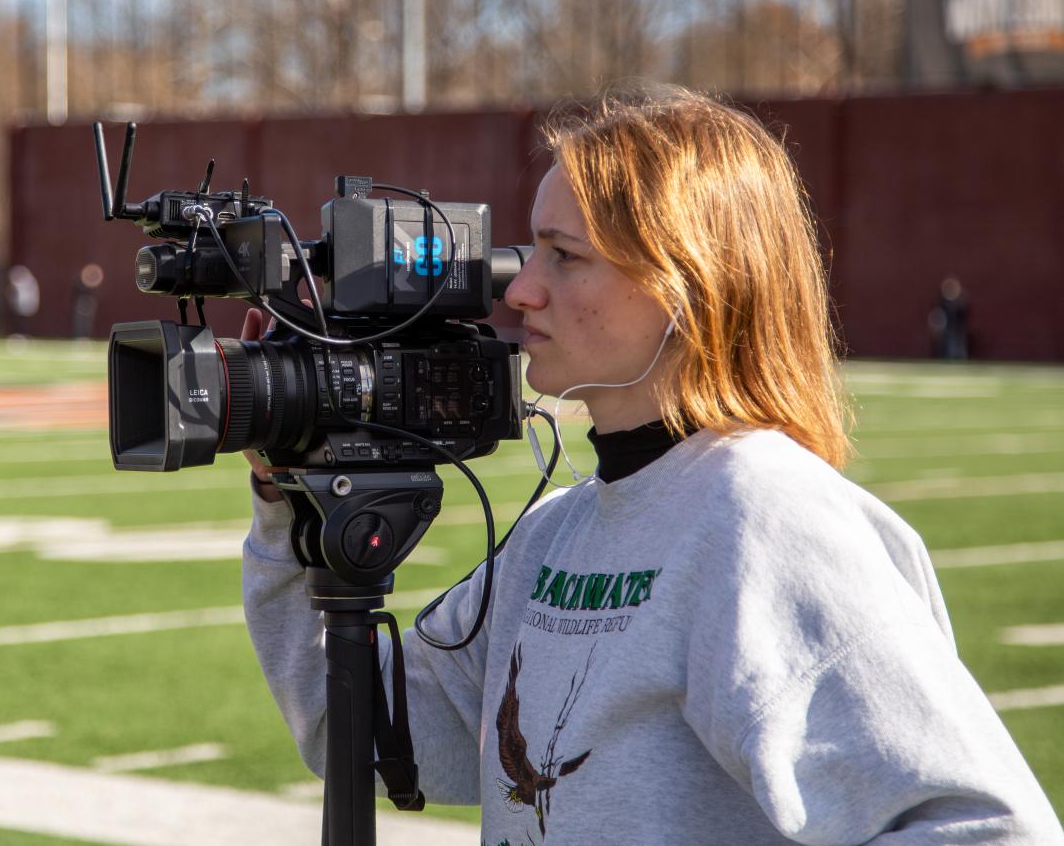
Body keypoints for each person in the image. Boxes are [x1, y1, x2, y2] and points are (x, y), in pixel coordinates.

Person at [239, 87, 1061, 844]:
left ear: (686, 286)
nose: (519, 290)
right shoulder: (558, 530)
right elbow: (356, 727)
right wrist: (289, 505)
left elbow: (992, 826)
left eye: (564, 255)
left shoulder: (765, 516)